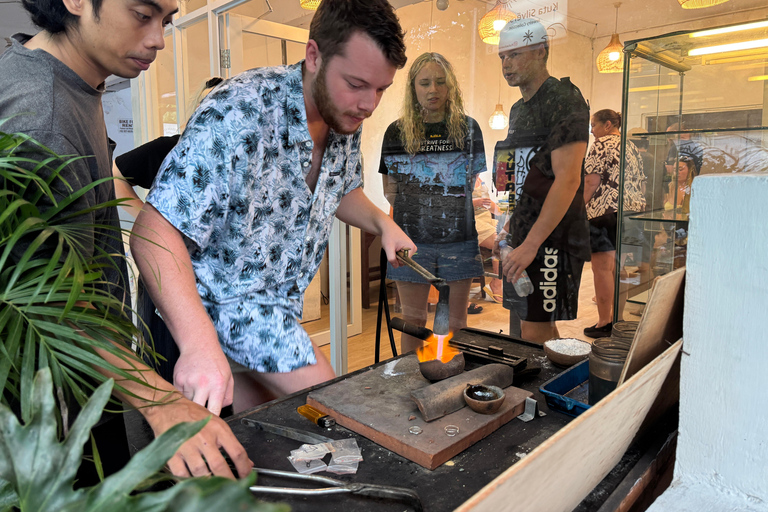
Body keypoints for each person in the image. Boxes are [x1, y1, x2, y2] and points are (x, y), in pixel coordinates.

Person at [0, 0, 251, 482]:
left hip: (88, 381)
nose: (159, 38)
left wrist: (155, 232)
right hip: (51, 409)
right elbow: (53, 306)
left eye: (168, 20)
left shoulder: (72, 82)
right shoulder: (41, 116)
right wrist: (161, 402)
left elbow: (107, 180)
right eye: (142, 14)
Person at [130, 0, 415, 413]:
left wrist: (382, 223)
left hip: (271, 314)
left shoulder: (344, 117)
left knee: (264, 449)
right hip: (200, 315)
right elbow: (152, 234)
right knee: (339, 409)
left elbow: (339, 190)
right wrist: (198, 345)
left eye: (381, 89)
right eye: (356, 84)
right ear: (314, 55)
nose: (369, 104)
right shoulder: (239, 109)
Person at [114, 77, 223, 384]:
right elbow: (114, 174)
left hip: (215, 284)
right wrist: (144, 219)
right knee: (169, 361)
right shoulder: (172, 149)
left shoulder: (238, 160)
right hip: (166, 273)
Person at [493, 18, 591, 344]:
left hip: (552, 237)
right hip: (526, 229)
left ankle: (540, 396)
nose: (507, 64)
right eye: (502, 57)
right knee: (534, 325)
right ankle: (559, 387)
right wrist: (509, 227)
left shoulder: (564, 98)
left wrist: (531, 244)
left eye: (515, 54)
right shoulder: (518, 110)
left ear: (540, 51)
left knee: (533, 328)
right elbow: (522, 172)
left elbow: (568, 180)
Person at [379, 52, 486, 353]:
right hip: (411, 243)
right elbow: (390, 191)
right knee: (412, 319)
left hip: (460, 241)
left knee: (457, 322)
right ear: (413, 88)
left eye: (440, 82)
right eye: (424, 83)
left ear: (451, 86)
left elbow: (472, 182)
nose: (433, 90)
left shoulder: (469, 129)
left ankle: (451, 379)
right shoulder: (396, 132)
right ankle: (410, 379)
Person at [582, 109, 646, 338]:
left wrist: (579, 208)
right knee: (620, 270)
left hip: (604, 211)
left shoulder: (601, 144)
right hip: (631, 212)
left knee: (602, 269)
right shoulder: (631, 146)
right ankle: (618, 318)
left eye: (594, 125)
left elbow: (591, 181)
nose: (592, 131)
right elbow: (641, 182)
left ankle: (603, 321)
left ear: (607, 125)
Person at [472, 176, 503, 304]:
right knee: (500, 244)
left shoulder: (480, 178)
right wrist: (477, 202)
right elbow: (453, 203)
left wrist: (504, 215)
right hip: (473, 221)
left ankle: (503, 282)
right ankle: (496, 283)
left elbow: (488, 203)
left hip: (487, 220)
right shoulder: (461, 176)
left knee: (511, 236)